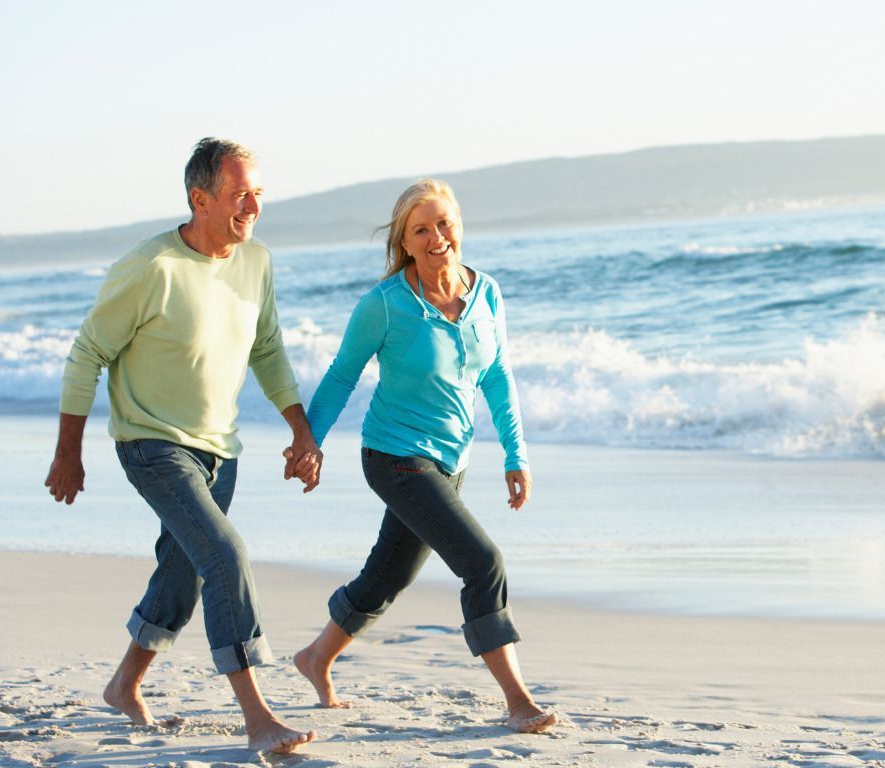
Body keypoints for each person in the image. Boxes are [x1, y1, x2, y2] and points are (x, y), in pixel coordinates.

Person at [44, 138, 320, 754]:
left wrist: (300, 430)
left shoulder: (257, 262)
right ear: (200, 199)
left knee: (182, 569)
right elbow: (87, 354)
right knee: (224, 555)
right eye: (239, 194)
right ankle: (258, 717)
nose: (252, 205)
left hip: (220, 450)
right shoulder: (151, 268)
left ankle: (124, 684)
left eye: (258, 193)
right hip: (151, 444)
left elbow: (268, 349)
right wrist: (69, 451)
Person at [291, 178, 557, 734]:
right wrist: (308, 441)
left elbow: (499, 375)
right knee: (483, 564)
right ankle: (517, 700)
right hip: (393, 456)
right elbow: (342, 376)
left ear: (459, 225)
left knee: (387, 577)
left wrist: (517, 453)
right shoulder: (385, 305)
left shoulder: (487, 294)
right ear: (404, 242)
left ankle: (316, 657)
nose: (437, 237)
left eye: (444, 224)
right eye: (421, 230)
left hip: (450, 462)